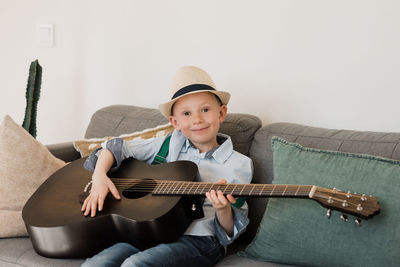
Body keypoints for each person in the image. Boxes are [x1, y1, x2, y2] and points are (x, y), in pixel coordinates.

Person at [81, 66, 253, 267]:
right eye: (186, 113)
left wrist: (223, 209)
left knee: (134, 265)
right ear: (175, 122)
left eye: (205, 110)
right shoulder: (167, 144)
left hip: (201, 240)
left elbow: (229, 232)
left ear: (221, 113)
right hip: (153, 230)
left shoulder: (238, 164)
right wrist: (99, 176)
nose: (197, 119)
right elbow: (114, 146)